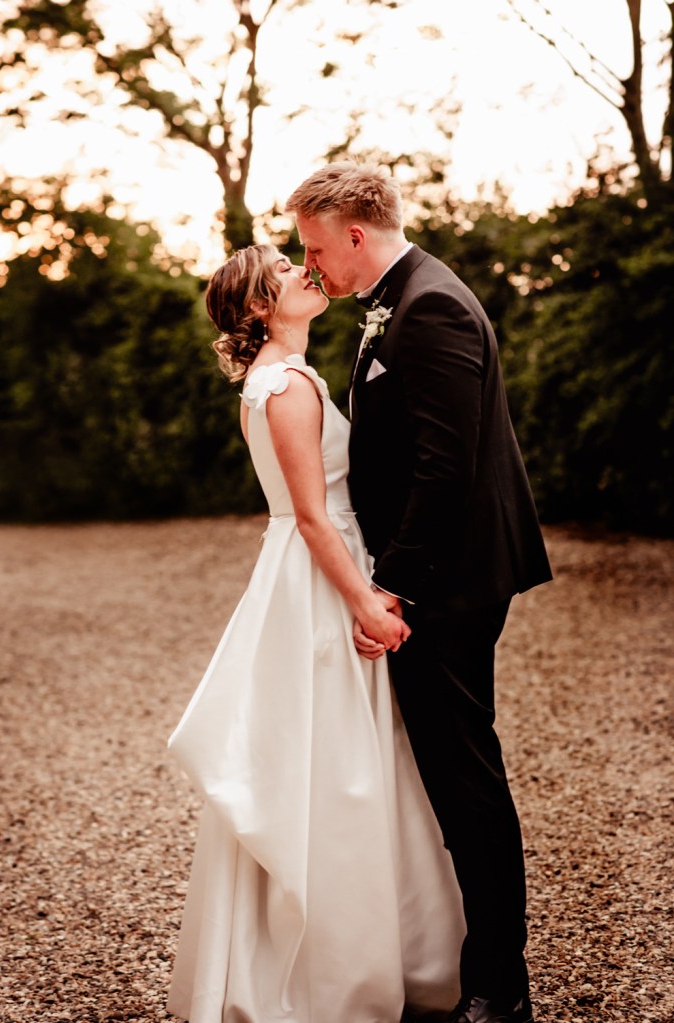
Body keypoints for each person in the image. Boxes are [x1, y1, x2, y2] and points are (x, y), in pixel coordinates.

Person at [166, 243, 467, 1023]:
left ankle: (346, 951)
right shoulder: (288, 385)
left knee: (327, 753)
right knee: (335, 759)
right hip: (320, 574)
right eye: (285, 271)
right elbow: (308, 515)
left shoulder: (276, 377)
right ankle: (338, 971)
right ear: (260, 307)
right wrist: (366, 600)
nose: (306, 272)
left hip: (306, 569)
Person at [285, 164, 553, 1023]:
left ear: (355, 235)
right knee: (448, 769)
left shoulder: (428, 305)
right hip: (441, 571)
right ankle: (466, 962)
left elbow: (446, 467)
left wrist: (390, 586)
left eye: (316, 246)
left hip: (450, 579)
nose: (310, 261)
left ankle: (499, 987)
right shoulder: (392, 300)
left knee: (464, 773)